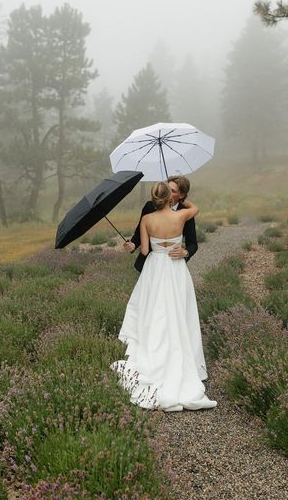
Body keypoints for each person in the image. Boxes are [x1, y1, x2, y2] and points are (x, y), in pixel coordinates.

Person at [112, 181, 216, 411]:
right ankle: (176, 353)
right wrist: (132, 245)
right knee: (169, 310)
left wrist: (185, 250)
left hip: (157, 267)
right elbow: (195, 208)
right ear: (170, 196)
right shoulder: (181, 215)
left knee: (157, 309)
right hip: (173, 270)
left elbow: (147, 250)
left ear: (180, 194)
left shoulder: (148, 219)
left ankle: (156, 350)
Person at [123, 175, 197, 272]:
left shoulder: (185, 212)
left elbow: (193, 244)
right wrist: (132, 245)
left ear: (182, 195)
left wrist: (185, 252)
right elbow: (138, 234)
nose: (168, 193)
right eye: (168, 188)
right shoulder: (149, 206)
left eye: (173, 191)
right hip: (149, 265)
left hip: (174, 265)